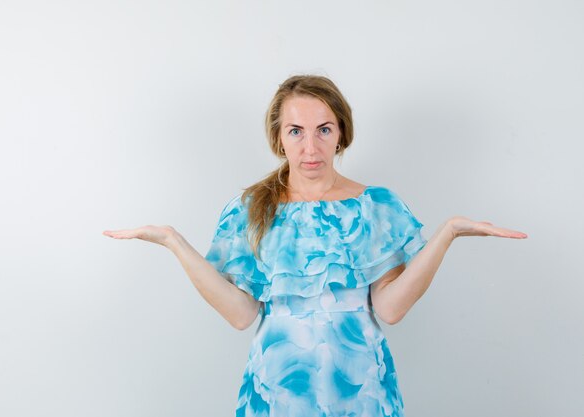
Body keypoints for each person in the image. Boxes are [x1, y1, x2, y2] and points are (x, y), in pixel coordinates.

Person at [103, 75, 527, 417]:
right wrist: (174, 243)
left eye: (324, 129)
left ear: (341, 133)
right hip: (277, 391)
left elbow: (391, 309)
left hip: (360, 389)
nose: (311, 147)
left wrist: (447, 233)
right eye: (296, 131)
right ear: (279, 137)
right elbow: (241, 314)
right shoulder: (250, 209)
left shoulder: (374, 206)